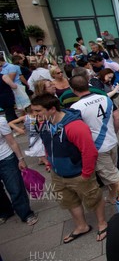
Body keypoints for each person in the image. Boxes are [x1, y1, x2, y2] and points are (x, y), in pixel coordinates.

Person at [31, 94, 108, 242]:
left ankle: (102, 223)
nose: (35, 115)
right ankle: (81, 226)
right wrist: (49, 162)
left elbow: (89, 152)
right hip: (57, 173)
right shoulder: (43, 124)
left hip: (79, 173)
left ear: (52, 109)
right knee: (69, 201)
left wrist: (86, 174)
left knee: (93, 198)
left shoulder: (75, 127)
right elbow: (47, 144)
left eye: (38, 111)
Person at [70, 75, 119, 204]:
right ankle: (113, 196)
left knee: (113, 177)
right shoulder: (105, 98)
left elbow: (79, 132)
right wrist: (113, 133)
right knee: (112, 172)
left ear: (72, 89)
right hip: (112, 142)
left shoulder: (76, 108)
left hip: (97, 147)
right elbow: (118, 118)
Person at [0, 116, 38, 226]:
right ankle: (5, 212)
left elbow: (12, 142)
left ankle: (26, 213)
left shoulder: (1, 121)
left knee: (15, 187)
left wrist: (20, 159)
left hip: (6, 159)